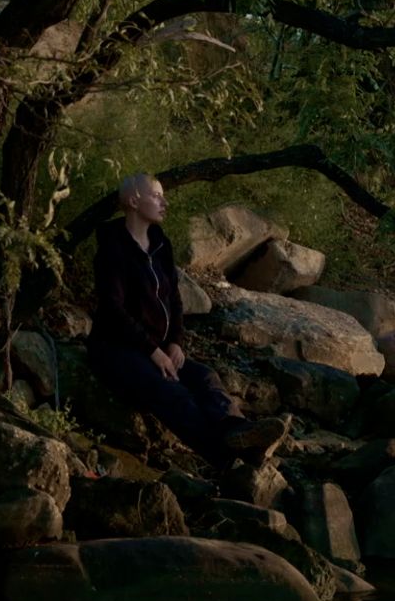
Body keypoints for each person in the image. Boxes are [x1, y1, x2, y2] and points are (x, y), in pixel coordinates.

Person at [88, 173, 285, 469]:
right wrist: (153, 352)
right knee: (173, 393)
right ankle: (226, 457)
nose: (164, 202)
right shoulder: (113, 248)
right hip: (116, 350)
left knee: (204, 377)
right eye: (156, 195)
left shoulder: (160, 245)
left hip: (157, 349)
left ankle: (238, 432)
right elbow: (113, 311)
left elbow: (175, 301)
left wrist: (175, 342)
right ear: (133, 200)